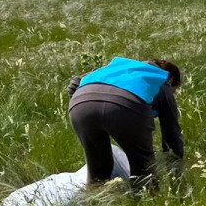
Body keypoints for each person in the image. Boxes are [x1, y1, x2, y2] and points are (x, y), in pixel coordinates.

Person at [67, 56, 184, 187]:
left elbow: (75, 83)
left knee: (98, 169)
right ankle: (145, 204)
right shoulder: (161, 79)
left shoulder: (118, 66)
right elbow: (172, 134)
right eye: (175, 90)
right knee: (144, 169)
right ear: (172, 79)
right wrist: (177, 178)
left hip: (80, 105)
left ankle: (95, 204)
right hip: (125, 105)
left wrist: (86, 107)